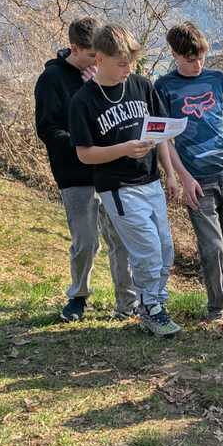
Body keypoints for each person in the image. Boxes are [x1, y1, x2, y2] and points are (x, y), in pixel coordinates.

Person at [68, 24, 181, 338]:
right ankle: (150, 307)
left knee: (165, 248)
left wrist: (171, 174)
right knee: (147, 250)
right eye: (121, 63)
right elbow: (84, 154)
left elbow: (160, 133)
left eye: (131, 62)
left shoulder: (141, 86)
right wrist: (124, 149)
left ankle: (156, 302)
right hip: (118, 187)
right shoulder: (83, 101)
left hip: (151, 181)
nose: (127, 69)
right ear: (99, 59)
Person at [35, 17, 136, 322]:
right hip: (75, 174)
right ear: (73, 48)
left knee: (120, 238)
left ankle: (127, 302)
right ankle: (78, 296)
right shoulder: (51, 79)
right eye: (92, 55)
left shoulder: (107, 76)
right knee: (86, 241)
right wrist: (83, 145)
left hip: (112, 170)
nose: (97, 61)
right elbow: (48, 129)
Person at [155, 22, 223, 323]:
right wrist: (182, 177)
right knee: (213, 248)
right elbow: (163, 139)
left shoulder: (219, 80)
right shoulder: (163, 87)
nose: (197, 64)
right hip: (195, 177)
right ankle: (217, 308)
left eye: (201, 57)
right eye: (190, 59)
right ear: (174, 55)